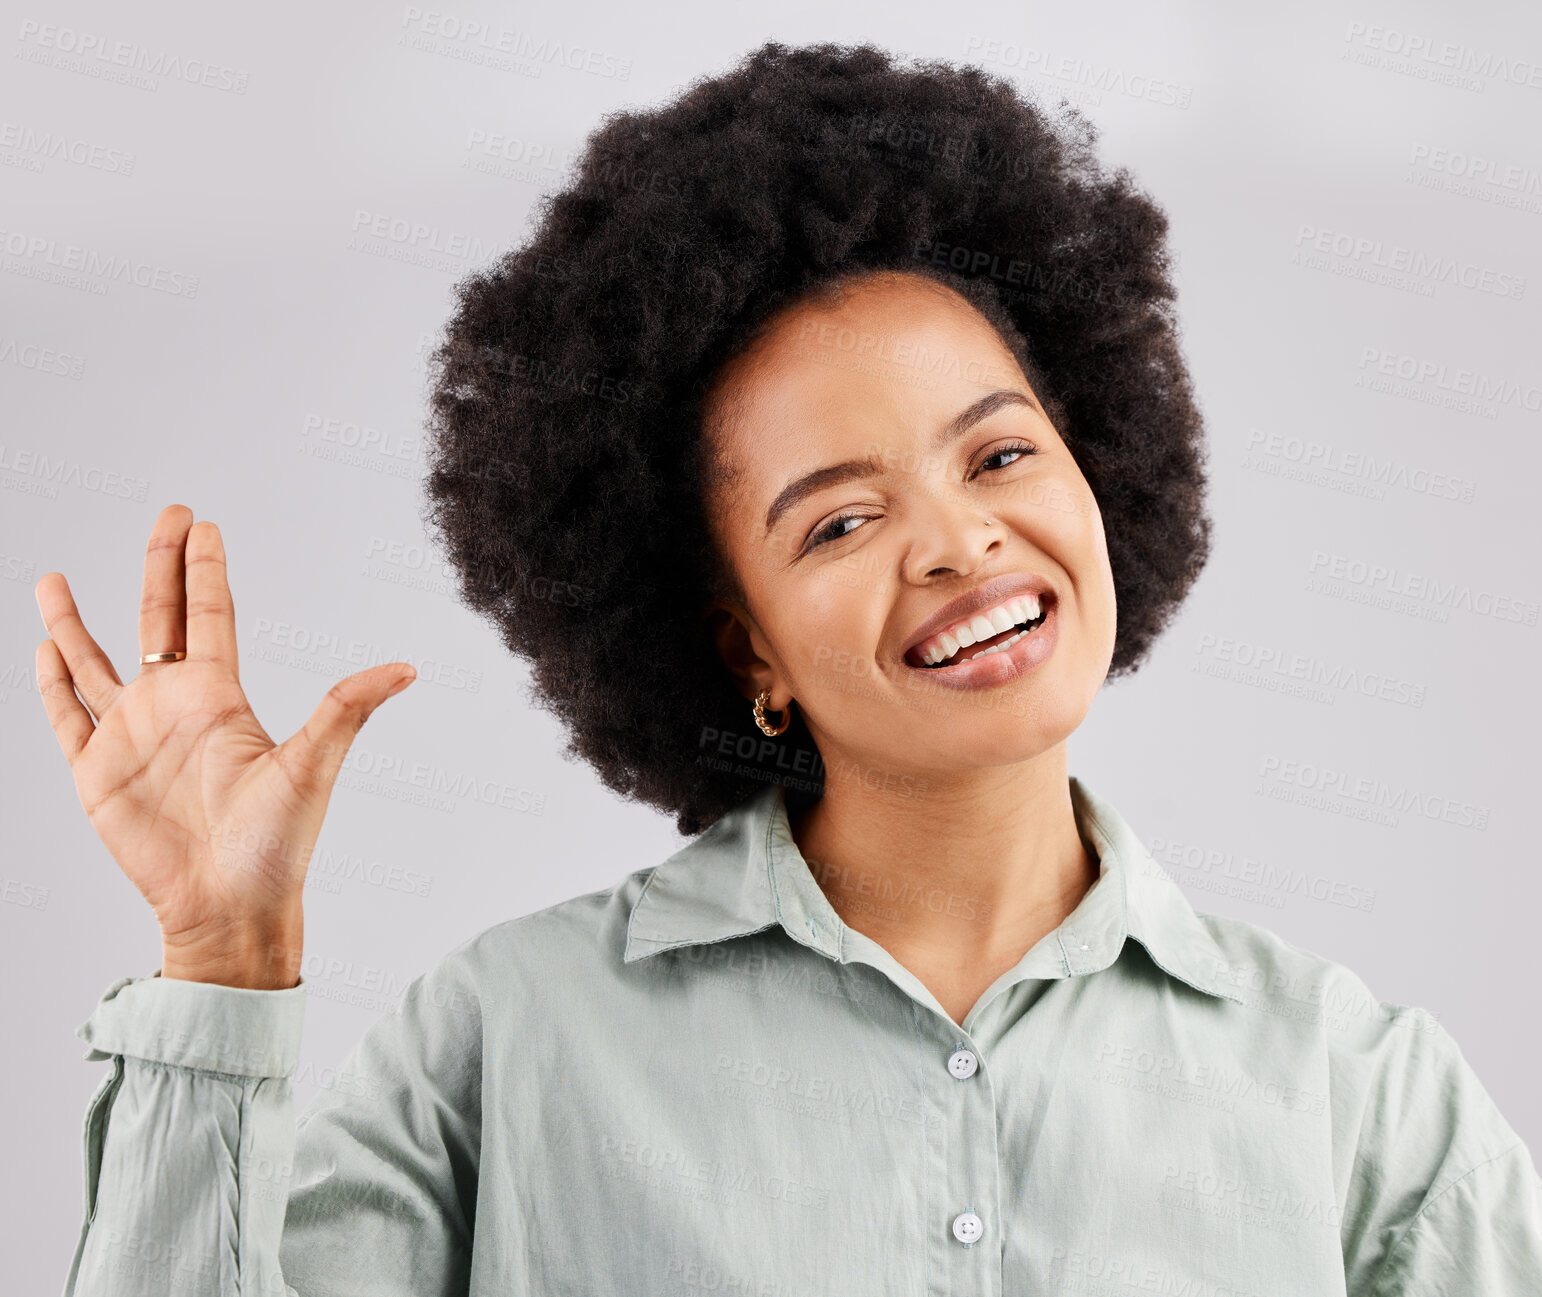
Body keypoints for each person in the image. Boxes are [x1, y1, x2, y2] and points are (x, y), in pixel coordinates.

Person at [38, 40, 1541, 1297]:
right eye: (839, 517)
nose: (957, 543)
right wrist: (224, 960)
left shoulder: (1358, 1091)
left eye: (1001, 451)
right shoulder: (507, 1044)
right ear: (739, 636)